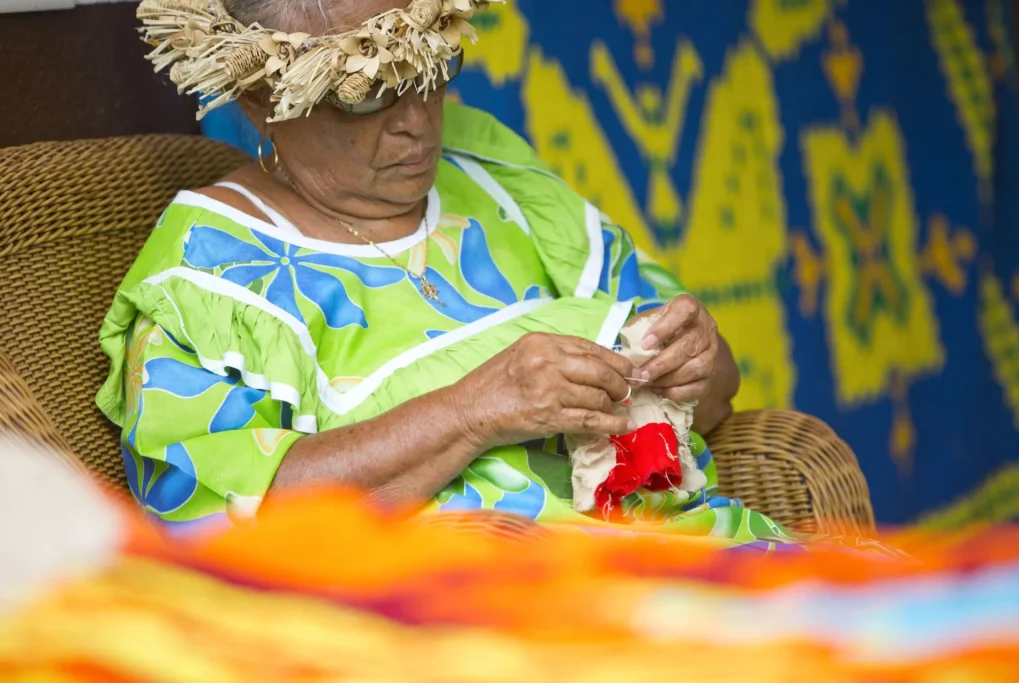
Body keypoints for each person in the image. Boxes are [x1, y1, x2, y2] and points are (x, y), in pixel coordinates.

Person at [96, 0, 794, 547]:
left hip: (687, 559)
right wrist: (471, 411)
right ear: (258, 98)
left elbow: (716, 397)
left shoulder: (497, 177)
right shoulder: (205, 278)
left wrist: (693, 359)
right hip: (481, 618)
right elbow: (217, 526)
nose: (419, 124)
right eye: (370, 93)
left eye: (432, 73)